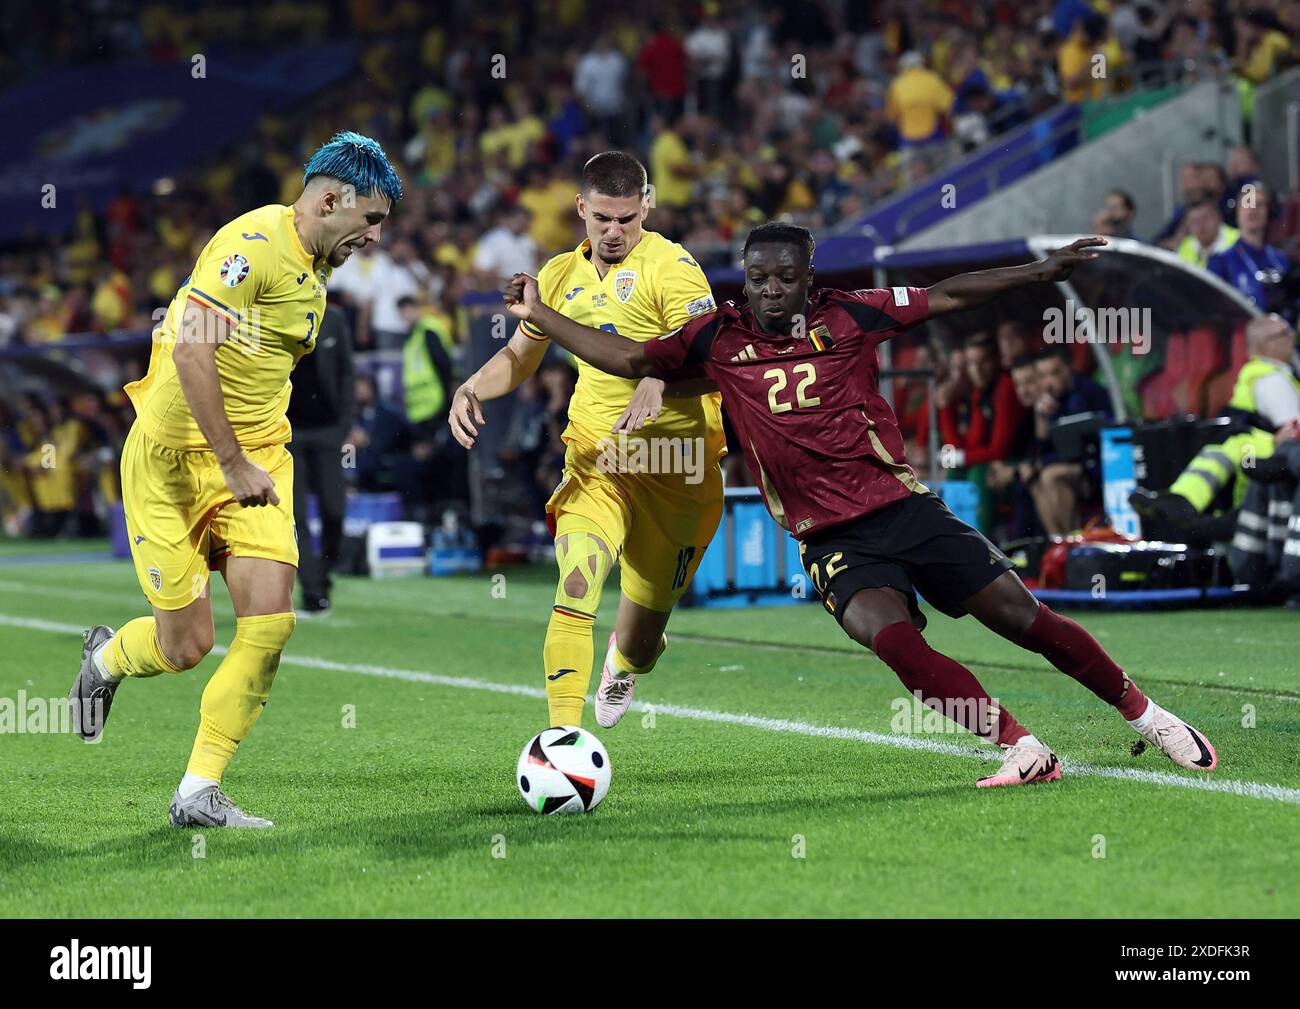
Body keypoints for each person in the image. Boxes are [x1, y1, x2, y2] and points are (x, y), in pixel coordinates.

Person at [502, 223, 1218, 786]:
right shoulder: (717, 337)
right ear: (744, 284)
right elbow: (627, 358)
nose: (772, 290)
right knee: (895, 640)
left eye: (786, 277)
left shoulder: (852, 315)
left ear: (810, 280)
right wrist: (539, 313)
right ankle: (1024, 748)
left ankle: (1149, 715)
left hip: (904, 508)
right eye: (759, 279)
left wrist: (1037, 273)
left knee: (1023, 618)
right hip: (831, 540)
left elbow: (950, 294)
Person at [67, 131, 401, 828]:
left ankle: (197, 791)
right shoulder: (251, 242)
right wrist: (228, 459)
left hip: (258, 459)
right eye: (368, 221)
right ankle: (106, 656)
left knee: (271, 622)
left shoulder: (316, 266)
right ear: (332, 198)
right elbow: (192, 348)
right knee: (184, 646)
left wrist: (247, 457)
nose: (372, 238)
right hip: (174, 462)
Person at [449, 152, 723, 730]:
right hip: (600, 460)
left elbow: (711, 354)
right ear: (581, 208)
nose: (615, 231)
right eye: (603, 218)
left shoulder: (673, 269)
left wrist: (657, 376)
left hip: (678, 468)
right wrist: (473, 385)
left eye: (627, 217)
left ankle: (624, 659)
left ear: (647, 205)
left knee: (642, 641)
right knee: (577, 582)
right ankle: (562, 737)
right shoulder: (556, 276)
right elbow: (518, 358)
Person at [287, 304, 356, 613]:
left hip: (328, 431)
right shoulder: (275, 311)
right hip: (287, 434)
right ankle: (312, 591)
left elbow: (347, 373)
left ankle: (324, 574)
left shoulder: (334, 319)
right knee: (296, 516)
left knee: (334, 510)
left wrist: (345, 425)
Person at [1029, 347, 1113, 535]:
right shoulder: (1048, 403)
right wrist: (1041, 419)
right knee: (1036, 483)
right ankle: (1057, 541)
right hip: (1070, 469)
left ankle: (1070, 541)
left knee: (1051, 476)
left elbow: (1101, 433)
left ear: (1068, 369)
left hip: (1096, 469)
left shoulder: (1088, 392)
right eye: (1043, 376)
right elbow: (1044, 450)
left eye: (1055, 373)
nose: (1049, 381)